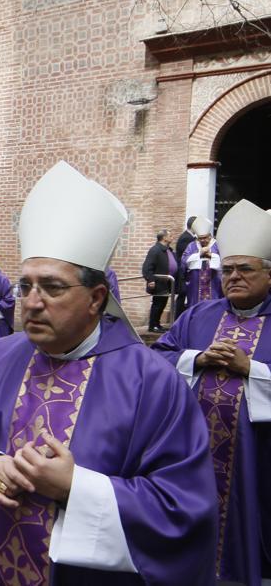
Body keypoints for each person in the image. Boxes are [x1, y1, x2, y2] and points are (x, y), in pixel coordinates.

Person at [0, 161, 217, 585]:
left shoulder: (152, 382)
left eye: (52, 287)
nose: (31, 302)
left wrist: (75, 488)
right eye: (26, 285)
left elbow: (183, 505)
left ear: (97, 298)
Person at [153, 199, 271, 585]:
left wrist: (249, 369)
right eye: (228, 269)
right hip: (196, 453)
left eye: (245, 269)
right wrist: (197, 358)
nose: (233, 276)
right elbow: (160, 357)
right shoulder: (199, 315)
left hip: (258, 460)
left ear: (269, 275)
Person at [182, 216, 222, 310]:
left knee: (214, 307)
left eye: (205, 238)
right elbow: (184, 261)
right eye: (200, 238)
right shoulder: (191, 246)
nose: (203, 240)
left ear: (210, 236)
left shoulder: (217, 245)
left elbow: (225, 261)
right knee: (196, 308)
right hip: (195, 284)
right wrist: (199, 254)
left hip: (214, 283)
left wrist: (211, 256)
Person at [141, 229, 175, 332]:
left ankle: (157, 324)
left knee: (162, 304)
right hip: (158, 282)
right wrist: (150, 280)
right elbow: (146, 267)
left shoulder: (167, 249)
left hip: (166, 282)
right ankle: (153, 326)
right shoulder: (155, 250)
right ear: (164, 238)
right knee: (157, 304)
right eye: (170, 235)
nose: (172, 237)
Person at [175, 216, 198, 317]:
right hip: (183, 273)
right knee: (182, 295)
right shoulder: (186, 238)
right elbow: (186, 257)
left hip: (184, 273)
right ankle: (178, 319)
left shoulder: (189, 237)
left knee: (183, 295)